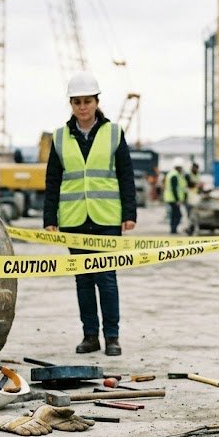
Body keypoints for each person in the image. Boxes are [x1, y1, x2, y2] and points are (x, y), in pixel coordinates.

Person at [43, 72, 137, 357]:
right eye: (77, 102)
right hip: (74, 219)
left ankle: (112, 337)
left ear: (97, 102)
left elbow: (126, 175)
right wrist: (50, 218)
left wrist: (129, 212)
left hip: (107, 218)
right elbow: (52, 181)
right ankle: (89, 336)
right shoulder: (60, 137)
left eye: (87, 101)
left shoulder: (113, 133)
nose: (82, 107)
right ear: (71, 104)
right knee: (83, 280)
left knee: (106, 278)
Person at [164, 158, 187, 234]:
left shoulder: (173, 174)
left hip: (171, 198)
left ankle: (173, 229)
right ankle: (173, 230)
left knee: (174, 214)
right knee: (177, 215)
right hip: (173, 199)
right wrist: (177, 199)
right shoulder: (174, 175)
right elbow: (174, 189)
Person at [184, 162, 203, 230]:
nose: (195, 169)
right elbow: (189, 184)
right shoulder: (188, 175)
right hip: (188, 197)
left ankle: (192, 227)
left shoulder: (197, 174)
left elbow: (199, 185)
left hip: (195, 197)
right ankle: (189, 227)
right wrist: (196, 184)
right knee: (189, 213)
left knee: (194, 213)